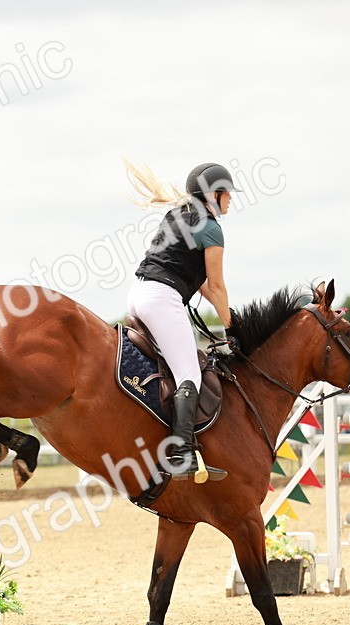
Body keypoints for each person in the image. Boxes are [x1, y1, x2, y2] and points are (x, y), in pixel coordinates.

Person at [125, 161, 241, 480]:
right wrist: (230, 327)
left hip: (138, 294)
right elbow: (216, 285)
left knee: (168, 366)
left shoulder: (176, 215)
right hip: (162, 299)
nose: (230, 199)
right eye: (227, 194)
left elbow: (200, 283)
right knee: (189, 373)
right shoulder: (212, 227)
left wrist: (223, 313)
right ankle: (182, 452)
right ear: (213, 194)